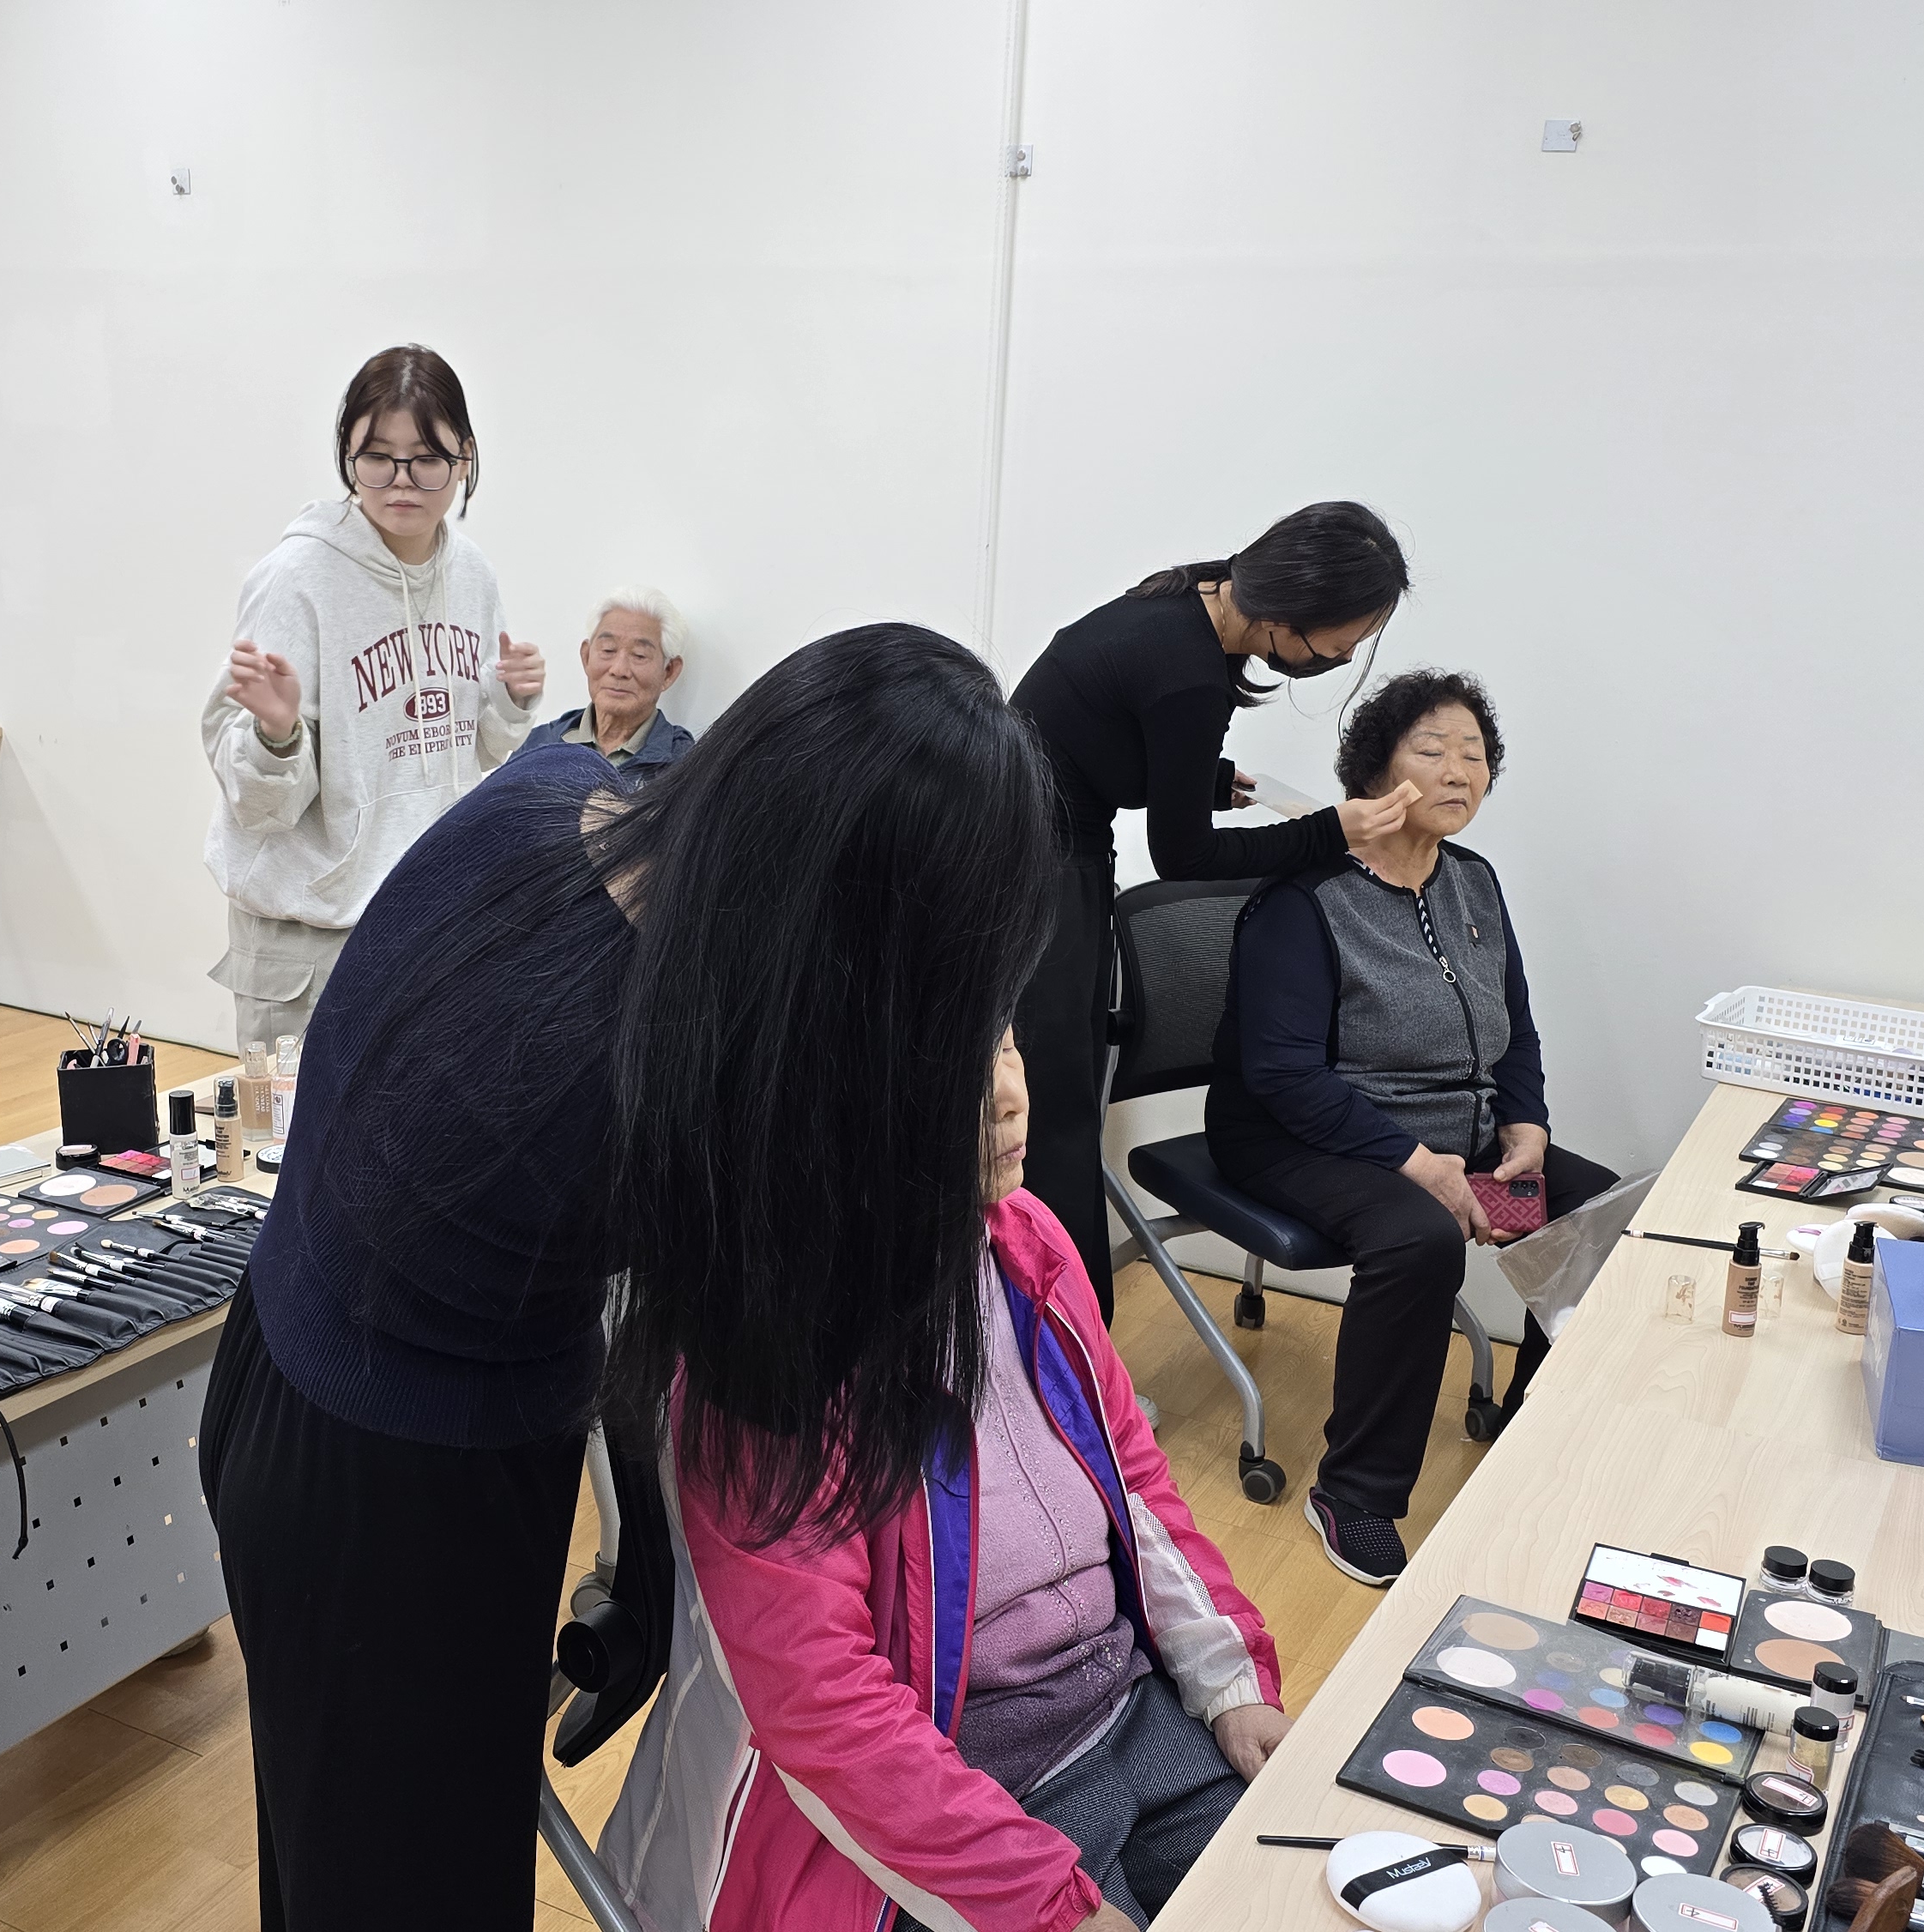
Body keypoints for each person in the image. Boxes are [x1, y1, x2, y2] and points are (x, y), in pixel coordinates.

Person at [197, 625, 1056, 1930]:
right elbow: (773, 1353)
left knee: (350, 1849)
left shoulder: (564, 794)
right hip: (380, 1481)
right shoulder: (616, 1069)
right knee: (401, 1882)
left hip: (303, 1356)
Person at [606, 1030, 1287, 1931]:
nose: (1008, 1094)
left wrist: (1233, 1681)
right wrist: (1044, 1905)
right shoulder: (766, 1369)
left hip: (1124, 1710)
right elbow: (821, 1703)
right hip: (953, 1802)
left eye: (1006, 1044)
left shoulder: (1026, 1238)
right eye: (955, 1065)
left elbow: (1134, 1480)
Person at [1203, 669, 1615, 1586]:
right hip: (1296, 1133)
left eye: (1474, 754)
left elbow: (1515, 1030)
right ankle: (1353, 1492)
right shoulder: (1305, 895)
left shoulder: (1473, 882)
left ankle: (1529, 1426)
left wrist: (1527, 1125)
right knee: (1418, 1236)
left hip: (1453, 1127)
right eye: (1432, 750)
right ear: (1374, 771)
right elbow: (1282, 1075)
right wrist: (1414, 1161)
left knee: (1600, 1214)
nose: (1458, 770)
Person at [1009, 503, 1414, 1321]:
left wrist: (1202, 776)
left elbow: (1098, 736)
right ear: (1293, 613)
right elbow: (1185, 859)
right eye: (1344, 642)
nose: (1346, 657)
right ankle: (1068, 1352)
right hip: (1034, 872)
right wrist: (1329, 832)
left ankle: (1052, 1344)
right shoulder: (1191, 672)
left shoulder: (1188, 598)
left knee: (1048, 1111)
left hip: (1028, 851)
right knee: (1050, 1122)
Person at [203, 342, 546, 1048]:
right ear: (347, 455)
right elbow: (259, 807)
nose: (401, 482)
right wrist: (276, 736)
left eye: (427, 459)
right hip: (310, 944)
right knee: (295, 1125)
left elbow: (471, 756)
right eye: (377, 457)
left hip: (431, 925)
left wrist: (509, 704)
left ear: (464, 458)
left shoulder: (471, 576)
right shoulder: (296, 579)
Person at [533, 585, 693, 782]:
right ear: (586, 657)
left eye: (639, 655)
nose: (619, 670)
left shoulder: (685, 766)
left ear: (669, 672)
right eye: (608, 650)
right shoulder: (539, 745)